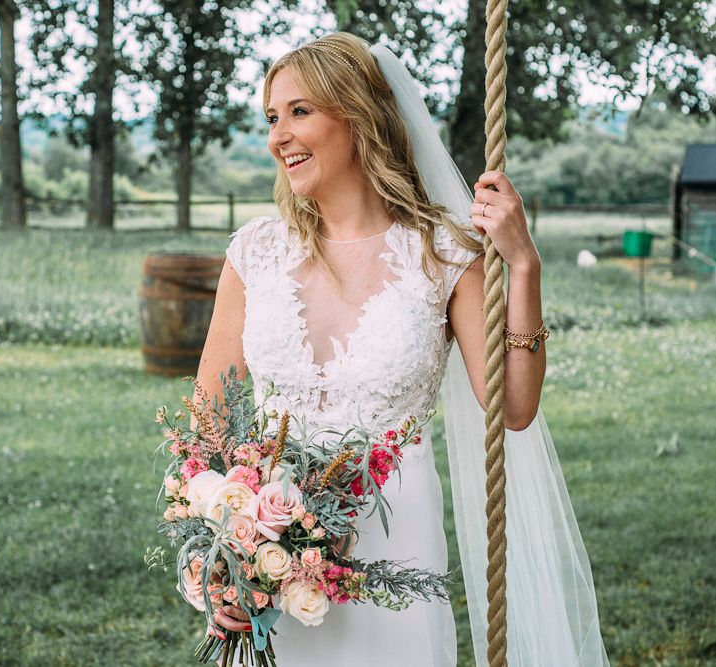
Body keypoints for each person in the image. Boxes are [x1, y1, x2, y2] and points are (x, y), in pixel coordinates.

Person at [195, 31, 610, 666]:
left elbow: (515, 407)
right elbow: (209, 426)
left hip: (398, 551)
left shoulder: (442, 254)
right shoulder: (255, 253)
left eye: (299, 111)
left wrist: (522, 266)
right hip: (270, 554)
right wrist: (220, 555)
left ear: (359, 115)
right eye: (272, 117)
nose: (278, 135)